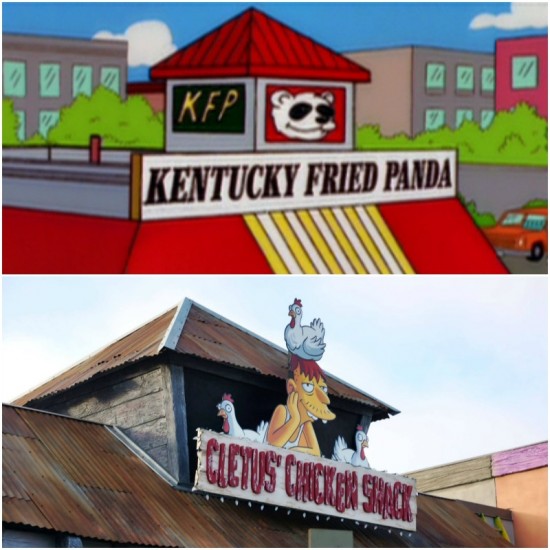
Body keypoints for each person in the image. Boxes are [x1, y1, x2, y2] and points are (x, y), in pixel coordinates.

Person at [266, 354, 336, 456]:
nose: (325, 399)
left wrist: (293, 451)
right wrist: (295, 419)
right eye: (308, 386)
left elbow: (316, 453)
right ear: (291, 387)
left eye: (323, 388)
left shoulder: (305, 423)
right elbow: (273, 444)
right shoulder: (283, 411)